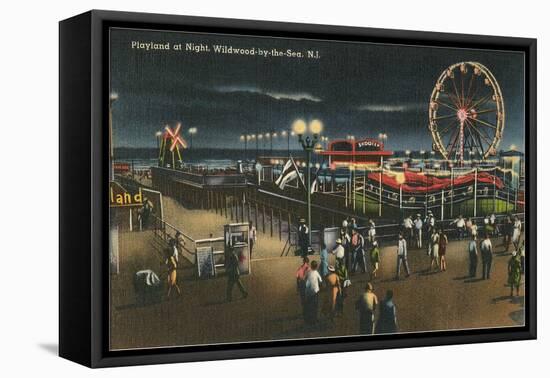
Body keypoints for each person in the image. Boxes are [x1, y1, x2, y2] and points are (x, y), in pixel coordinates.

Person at [304, 260, 323, 324]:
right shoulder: (316, 272)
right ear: (316, 267)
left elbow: (305, 279)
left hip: (308, 291)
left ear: (311, 266)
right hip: (315, 291)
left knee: (309, 305)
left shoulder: (308, 272)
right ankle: (314, 318)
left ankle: (309, 318)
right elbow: (320, 280)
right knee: (315, 305)